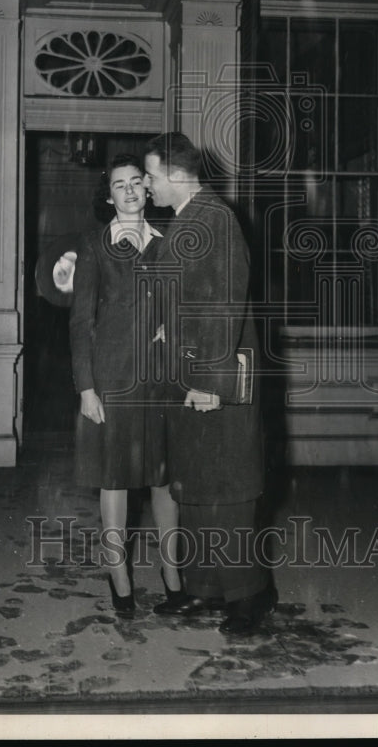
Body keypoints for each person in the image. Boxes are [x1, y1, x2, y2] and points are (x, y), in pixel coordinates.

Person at [143, 132, 278, 636]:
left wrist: (206, 382)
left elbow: (223, 307)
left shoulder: (214, 220)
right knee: (198, 488)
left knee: (227, 493)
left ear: (176, 175)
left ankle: (251, 597)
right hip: (189, 379)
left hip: (212, 382)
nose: (148, 186)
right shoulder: (187, 221)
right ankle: (209, 587)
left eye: (152, 176)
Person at [69, 154, 181, 617]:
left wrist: (168, 328)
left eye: (138, 182)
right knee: (114, 479)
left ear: (148, 189)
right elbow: (81, 320)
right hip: (112, 379)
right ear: (108, 195)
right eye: (121, 185)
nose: (132, 191)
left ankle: (173, 575)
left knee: (164, 480)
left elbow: (183, 305)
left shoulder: (169, 240)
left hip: (159, 381)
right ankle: (119, 578)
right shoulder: (94, 246)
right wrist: (86, 387)